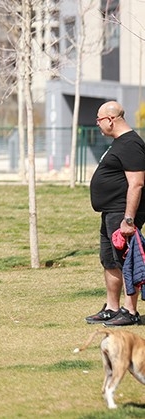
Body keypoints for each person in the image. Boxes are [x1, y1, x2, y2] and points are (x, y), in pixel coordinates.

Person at [86, 100, 145, 326]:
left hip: (122, 214)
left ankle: (130, 311)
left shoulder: (131, 144)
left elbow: (137, 184)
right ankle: (112, 308)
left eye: (99, 119)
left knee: (126, 262)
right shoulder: (120, 143)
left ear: (111, 119)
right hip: (110, 212)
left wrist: (128, 220)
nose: (98, 124)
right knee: (109, 260)